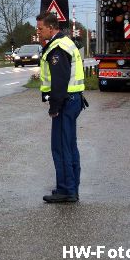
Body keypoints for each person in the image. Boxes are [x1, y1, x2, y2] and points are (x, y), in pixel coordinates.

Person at [36, 12, 86, 203]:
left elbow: (60, 80)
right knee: (70, 146)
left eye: (40, 29)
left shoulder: (57, 48)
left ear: (51, 27)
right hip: (73, 100)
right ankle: (72, 187)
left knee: (61, 146)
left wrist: (54, 107)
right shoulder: (64, 42)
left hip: (65, 102)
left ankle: (66, 189)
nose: (39, 32)